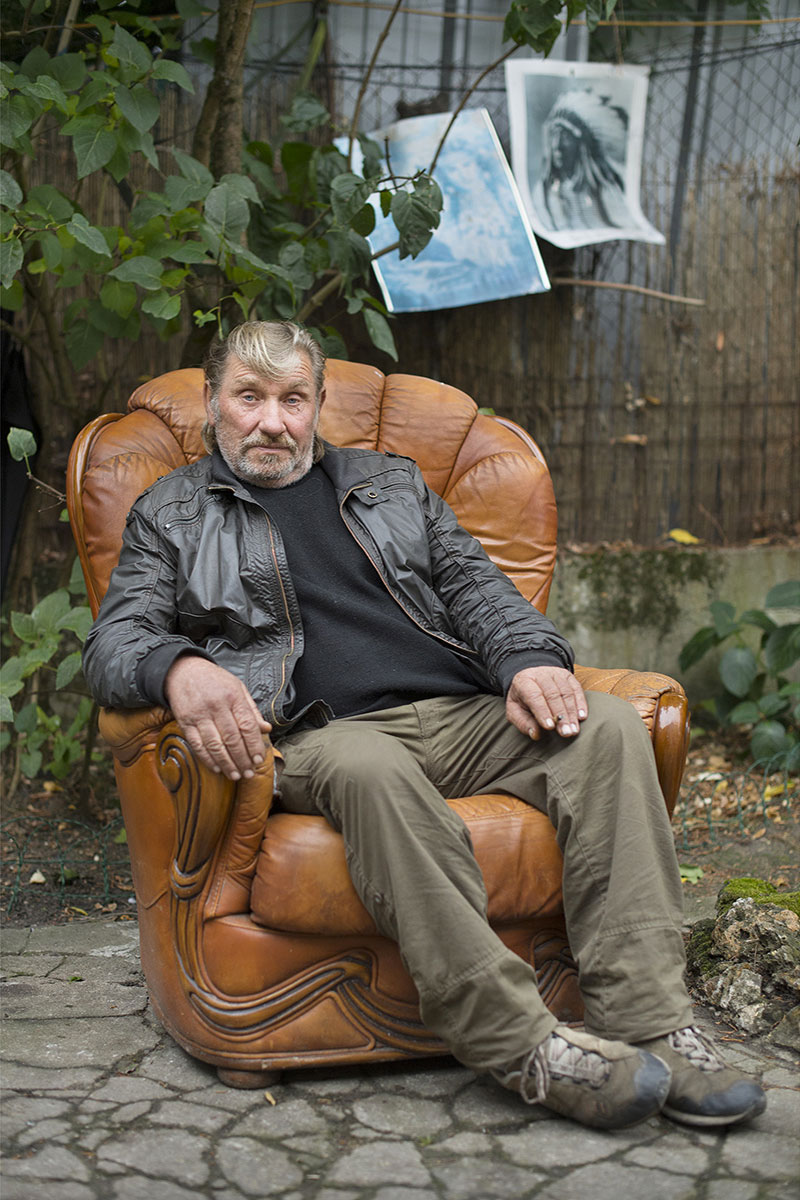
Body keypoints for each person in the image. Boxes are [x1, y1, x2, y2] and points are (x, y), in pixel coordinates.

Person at [83, 320, 766, 1132]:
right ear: (212, 403)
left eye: (292, 399)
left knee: (609, 728)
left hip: (459, 714)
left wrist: (527, 660)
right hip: (322, 733)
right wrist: (179, 668)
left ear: (318, 405)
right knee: (373, 770)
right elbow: (113, 644)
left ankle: (649, 1021)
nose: (272, 421)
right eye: (249, 398)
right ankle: (521, 1044)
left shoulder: (391, 484)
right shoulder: (172, 513)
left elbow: (480, 590)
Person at [533, 87, 632, 233]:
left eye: (565, 137)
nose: (557, 146)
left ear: (582, 146)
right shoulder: (543, 193)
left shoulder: (609, 191)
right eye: (554, 136)